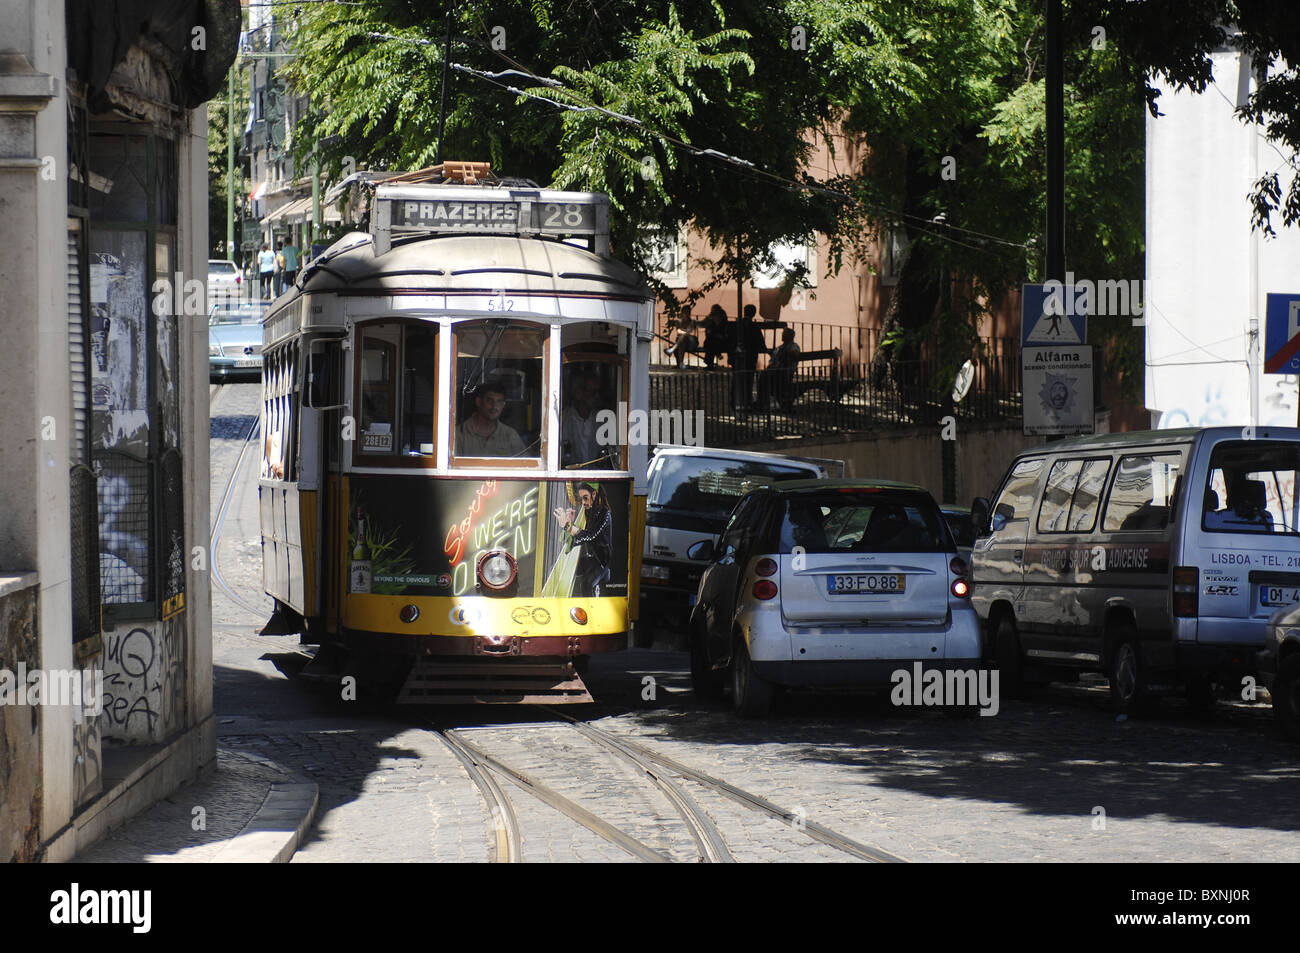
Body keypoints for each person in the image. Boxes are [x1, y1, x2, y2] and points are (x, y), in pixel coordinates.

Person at [552, 482, 613, 597]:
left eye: (586, 498)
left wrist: (567, 526)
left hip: (601, 561)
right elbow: (580, 535)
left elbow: (590, 536)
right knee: (560, 571)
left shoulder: (605, 514)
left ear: (594, 494)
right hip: (591, 558)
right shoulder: (589, 511)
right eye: (581, 499)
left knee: (586, 583)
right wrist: (571, 523)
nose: (583, 502)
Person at [457, 382, 526, 457]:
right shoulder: (459, 434)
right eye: (489, 401)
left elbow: (526, 464)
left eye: (499, 402)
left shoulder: (510, 435)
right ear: (479, 402)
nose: (494, 406)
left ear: (503, 405)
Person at [561, 371, 609, 468]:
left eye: (598, 392)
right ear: (578, 393)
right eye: (593, 392)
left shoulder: (603, 420)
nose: (597, 397)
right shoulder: (563, 419)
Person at [731, 304, 768, 408]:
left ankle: (735, 400)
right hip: (750, 356)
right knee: (748, 379)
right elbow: (761, 343)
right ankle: (746, 401)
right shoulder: (754, 326)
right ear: (754, 313)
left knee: (737, 379)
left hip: (737, 356)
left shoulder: (737, 324)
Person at [759, 328, 801, 408]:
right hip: (776, 372)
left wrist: (786, 350)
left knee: (765, 376)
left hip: (785, 373)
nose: (782, 335)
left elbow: (795, 354)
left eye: (784, 334)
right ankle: (763, 402)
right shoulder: (779, 348)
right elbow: (772, 362)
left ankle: (763, 402)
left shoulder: (794, 346)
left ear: (790, 336)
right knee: (764, 375)